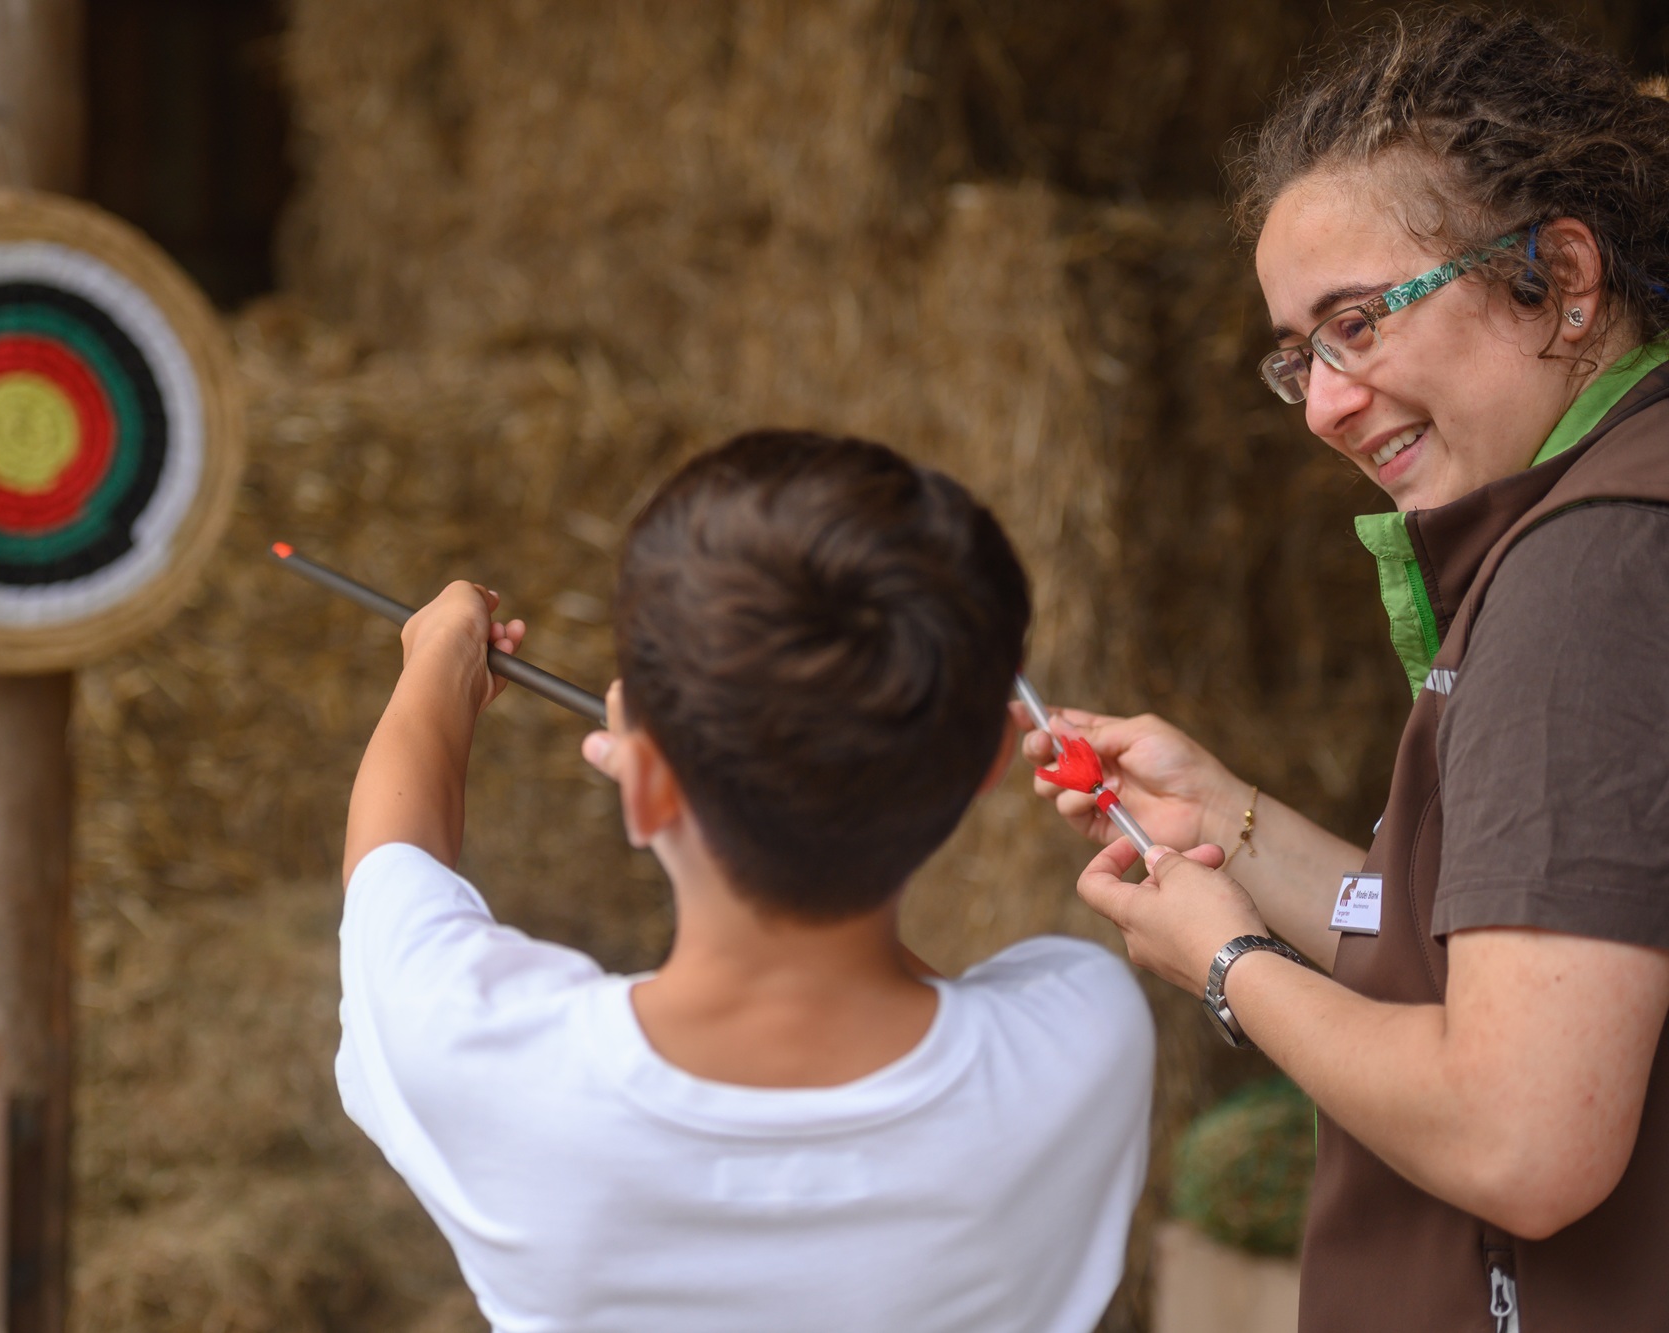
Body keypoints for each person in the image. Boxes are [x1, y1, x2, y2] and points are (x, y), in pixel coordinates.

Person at [1019, 13, 1669, 1333]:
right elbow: (1495, 955)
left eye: (1358, 323)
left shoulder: (1587, 576)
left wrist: (1228, 961)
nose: (1321, 403)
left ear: (1563, 277)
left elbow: (1520, 1138)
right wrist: (1231, 820)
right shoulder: (1607, 507)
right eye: (1297, 354)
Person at [336, 431, 1153, 1332]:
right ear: (992, 761)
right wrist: (696, 788)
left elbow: (391, 867)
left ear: (644, 787)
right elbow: (946, 1026)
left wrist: (436, 661)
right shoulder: (1088, 1029)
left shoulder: (485, 1057)